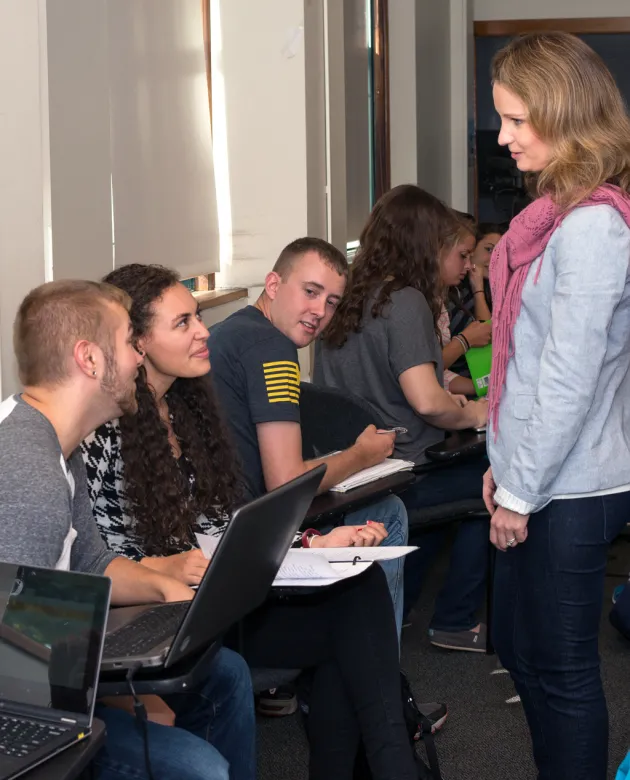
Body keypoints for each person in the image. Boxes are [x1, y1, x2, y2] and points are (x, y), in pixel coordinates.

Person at [81, 263, 433, 780]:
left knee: (356, 590)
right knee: (348, 619)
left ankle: (391, 763)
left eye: (197, 317)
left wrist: (312, 542)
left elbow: (226, 527)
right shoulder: (102, 432)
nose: (204, 331)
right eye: (183, 323)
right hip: (166, 621)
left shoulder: (186, 408)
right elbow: (107, 562)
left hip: (216, 603)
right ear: (135, 340)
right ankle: (394, 766)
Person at [0, 280, 255, 780]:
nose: (139, 359)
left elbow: (93, 563)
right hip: (21, 712)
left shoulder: (57, 443)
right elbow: (19, 669)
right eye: (128, 343)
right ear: (90, 360)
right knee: (199, 770)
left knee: (223, 674)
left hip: (41, 673)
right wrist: (121, 663)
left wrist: (166, 588)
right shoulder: (30, 476)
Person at [484, 31, 630, 780]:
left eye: (516, 120)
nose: (503, 137)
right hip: (535, 478)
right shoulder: (552, 219)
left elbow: (568, 379)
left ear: (564, 112)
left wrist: (520, 488)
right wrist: (500, 465)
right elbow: (526, 364)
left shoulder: (593, 227)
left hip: (570, 488)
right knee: (519, 649)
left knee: (563, 671)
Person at [315, 185, 490, 651]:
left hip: (354, 472)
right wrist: (480, 411)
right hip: (403, 468)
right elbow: (428, 401)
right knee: (498, 481)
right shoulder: (405, 299)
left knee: (450, 500)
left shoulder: (347, 295)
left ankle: (406, 600)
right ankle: (454, 619)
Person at [207, 238, 409, 633]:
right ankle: (378, 673)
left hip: (217, 522)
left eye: (332, 302)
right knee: (389, 514)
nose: (320, 312)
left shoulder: (233, 331)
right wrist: (362, 455)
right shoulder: (274, 350)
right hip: (243, 534)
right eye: (311, 292)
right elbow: (285, 480)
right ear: (273, 285)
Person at [439, 212, 488, 396]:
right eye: (463, 255)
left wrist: (484, 388)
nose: (468, 265)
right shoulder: (418, 301)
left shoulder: (441, 297)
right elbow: (426, 369)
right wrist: (465, 341)